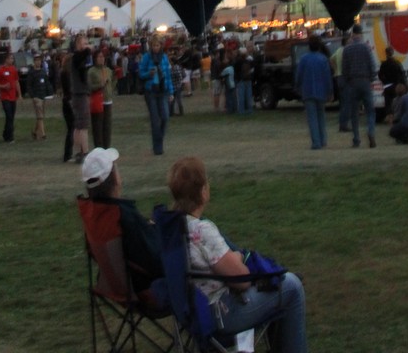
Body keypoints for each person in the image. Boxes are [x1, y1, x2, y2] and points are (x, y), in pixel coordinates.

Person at [167, 156, 308, 353]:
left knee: (279, 287)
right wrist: (238, 258)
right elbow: (241, 281)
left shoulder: (170, 228)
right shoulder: (202, 231)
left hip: (192, 312)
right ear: (203, 191)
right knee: (292, 286)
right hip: (221, 314)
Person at [81, 147, 163, 293]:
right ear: (114, 179)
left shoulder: (93, 213)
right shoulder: (122, 215)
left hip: (110, 284)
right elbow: (155, 259)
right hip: (142, 287)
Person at [341, 25, 378, 148]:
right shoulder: (366, 47)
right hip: (365, 81)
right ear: (361, 34)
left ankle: (356, 139)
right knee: (370, 111)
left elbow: (344, 68)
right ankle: (370, 131)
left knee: (354, 112)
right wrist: (371, 78)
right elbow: (372, 66)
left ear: (352, 34)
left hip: (353, 82)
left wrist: (348, 80)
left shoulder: (347, 49)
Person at [294, 35, 333, 151]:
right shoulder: (323, 59)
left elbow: (299, 75)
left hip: (308, 91)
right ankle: (323, 139)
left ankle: (316, 142)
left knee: (312, 118)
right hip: (321, 91)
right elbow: (327, 77)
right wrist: (330, 91)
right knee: (321, 116)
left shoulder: (304, 59)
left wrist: (297, 86)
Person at [138, 37, 173, 156]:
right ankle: (157, 147)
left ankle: (160, 138)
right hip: (151, 90)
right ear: (151, 46)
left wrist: (171, 92)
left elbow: (168, 75)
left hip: (163, 90)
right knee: (155, 119)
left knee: (165, 116)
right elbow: (141, 73)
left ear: (161, 46)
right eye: (154, 46)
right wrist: (149, 74)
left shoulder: (164, 57)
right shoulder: (146, 57)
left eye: (158, 45)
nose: (156, 48)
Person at [68, 35, 93, 163]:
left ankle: (78, 152)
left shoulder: (80, 58)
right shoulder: (77, 57)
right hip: (79, 93)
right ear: (78, 44)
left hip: (80, 92)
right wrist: (88, 50)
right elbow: (82, 56)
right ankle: (85, 152)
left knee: (78, 126)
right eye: (84, 43)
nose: (87, 46)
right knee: (83, 125)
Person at [88, 47, 116, 149]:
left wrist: (114, 82)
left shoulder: (108, 70)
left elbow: (112, 83)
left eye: (103, 57)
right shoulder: (91, 71)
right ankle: (99, 148)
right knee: (98, 126)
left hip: (108, 100)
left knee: (107, 126)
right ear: (95, 58)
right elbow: (89, 87)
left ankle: (107, 147)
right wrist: (100, 85)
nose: (101, 59)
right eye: (99, 57)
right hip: (98, 101)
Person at [0, 50, 20, 143]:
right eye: (10, 58)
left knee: (11, 117)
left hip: (13, 96)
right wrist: (3, 86)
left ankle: (6, 133)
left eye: (12, 58)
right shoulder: (1, 70)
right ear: (6, 59)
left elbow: (16, 81)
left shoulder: (13, 69)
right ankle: (10, 137)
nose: (12, 60)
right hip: (5, 97)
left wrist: (19, 94)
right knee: (9, 115)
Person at [27, 51, 53, 139]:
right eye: (36, 60)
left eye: (39, 60)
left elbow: (47, 83)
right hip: (36, 96)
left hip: (43, 95)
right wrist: (32, 95)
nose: (38, 62)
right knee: (40, 116)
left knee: (40, 115)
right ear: (34, 61)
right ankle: (43, 134)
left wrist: (50, 92)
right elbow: (29, 85)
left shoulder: (42, 72)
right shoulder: (31, 72)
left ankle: (35, 132)